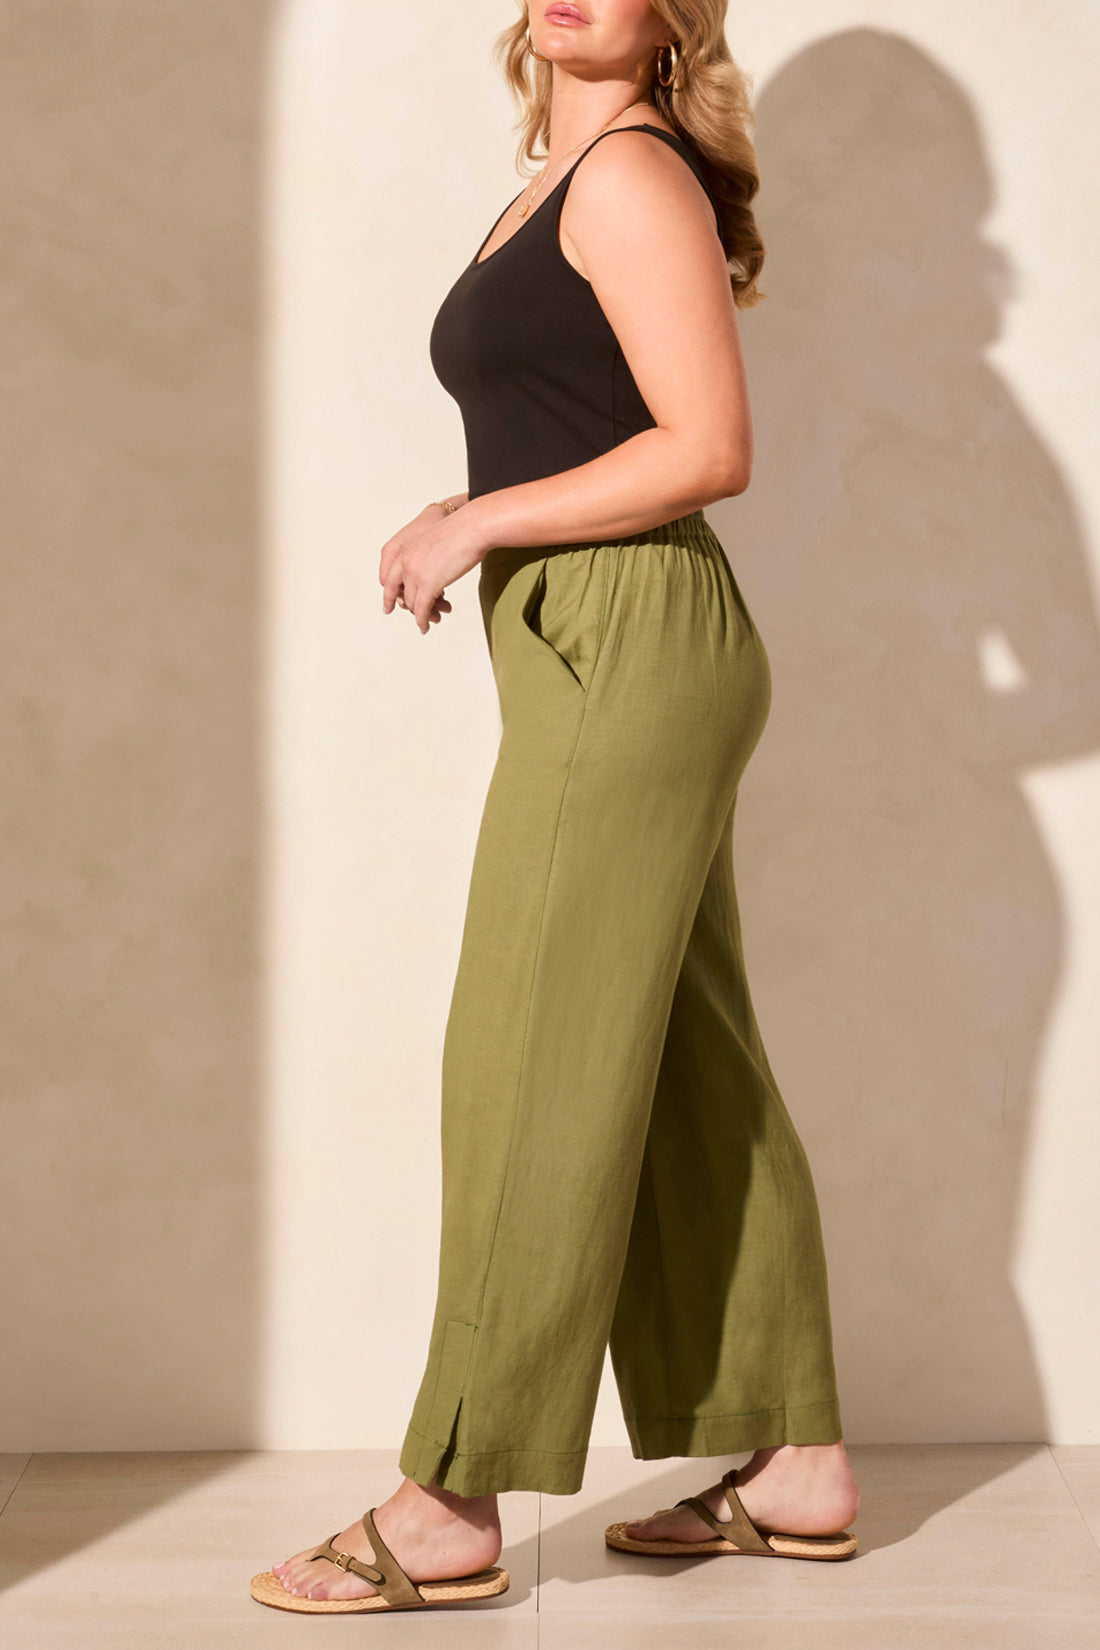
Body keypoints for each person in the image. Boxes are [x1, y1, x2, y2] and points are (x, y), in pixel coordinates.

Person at [250, 0, 860, 1618]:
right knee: (680, 1059)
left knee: (525, 1051)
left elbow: (710, 445)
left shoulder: (629, 178)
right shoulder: (554, 175)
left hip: (634, 644)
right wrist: (480, 512)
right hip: (600, 646)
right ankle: (794, 1454)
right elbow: (590, 417)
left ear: (678, 15)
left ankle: (455, 1490)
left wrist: (477, 521)